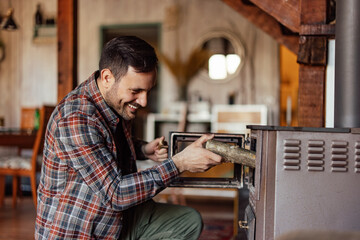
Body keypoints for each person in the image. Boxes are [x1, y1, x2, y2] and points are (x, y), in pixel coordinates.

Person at [35, 36, 222, 240]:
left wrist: (142, 149)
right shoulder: (76, 118)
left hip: (116, 219)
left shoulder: (114, 102)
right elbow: (116, 194)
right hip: (81, 231)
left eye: (148, 91)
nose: (143, 101)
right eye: (136, 91)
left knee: (187, 222)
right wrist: (179, 163)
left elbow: (103, 145)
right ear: (107, 78)